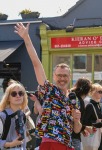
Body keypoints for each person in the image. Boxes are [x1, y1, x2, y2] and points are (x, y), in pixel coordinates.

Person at [14, 22, 82, 150]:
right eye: (59, 75)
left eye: (65, 76)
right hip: (50, 144)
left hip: (67, 145)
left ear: (70, 77)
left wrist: (77, 120)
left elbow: (77, 130)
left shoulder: (73, 98)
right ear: (54, 76)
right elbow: (36, 64)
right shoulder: (49, 90)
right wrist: (27, 38)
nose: (62, 79)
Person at [0, 82, 28, 150]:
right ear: (8, 98)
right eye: (14, 94)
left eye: (20, 93)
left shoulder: (22, 116)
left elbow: (23, 140)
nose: (18, 96)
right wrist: (11, 144)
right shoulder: (2, 116)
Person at [70, 77, 94, 150]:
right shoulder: (80, 101)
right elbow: (77, 121)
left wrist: (82, 129)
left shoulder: (72, 97)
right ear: (87, 90)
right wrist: (85, 127)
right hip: (74, 138)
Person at [82, 83, 102, 150]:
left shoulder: (98, 105)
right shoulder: (90, 105)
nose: (101, 94)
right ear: (93, 92)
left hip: (100, 134)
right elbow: (84, 121)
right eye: (99, 92)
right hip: (93, 135)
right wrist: (95, 123)